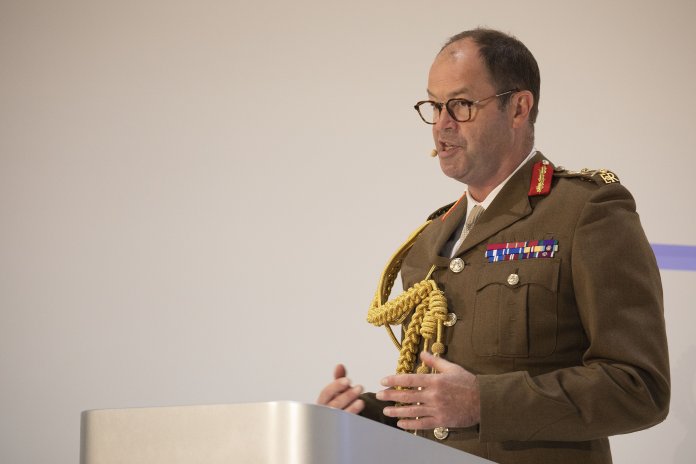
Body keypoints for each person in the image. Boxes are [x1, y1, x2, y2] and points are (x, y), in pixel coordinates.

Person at [317, 28, 670, 464]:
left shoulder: (586, 211)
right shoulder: (431, 240)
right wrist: (365, 414)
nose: (442, 124)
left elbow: (640, 387)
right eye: (434, 105)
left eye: (461, 105)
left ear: (518, 107)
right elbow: (439, 408)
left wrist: (485, 401)